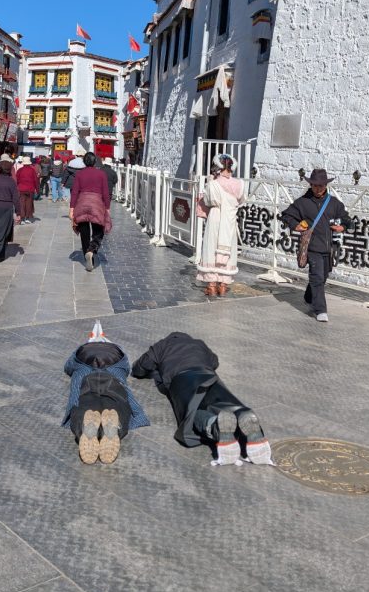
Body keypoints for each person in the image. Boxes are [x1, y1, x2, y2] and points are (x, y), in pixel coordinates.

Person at [132, 331, 273, 466]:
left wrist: (151, 370)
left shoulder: (162, 346)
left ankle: (215, 425)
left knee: (191, 412)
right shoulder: (198, 343)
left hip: (182, 379)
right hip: (207, 374)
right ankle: (243, 414)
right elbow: (214, 361)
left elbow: (140, 367)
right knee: (224, 401)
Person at [63, 320, 149, 464]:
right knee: (118, 399)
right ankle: (114, 427)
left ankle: (84, 428)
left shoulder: (81, 349)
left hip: (84, 369)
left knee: (81, 400)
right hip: (113, 368)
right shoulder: (118, 349)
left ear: (89, 339)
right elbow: (126, 367)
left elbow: (68, 366)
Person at [281, 168, 351, 323]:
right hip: (312, 248)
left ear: (326, 185)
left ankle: (308, 297)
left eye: (320, 186)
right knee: (317, 277)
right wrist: (295, 225)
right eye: (314, 185)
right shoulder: (302, 202)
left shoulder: (334, 203)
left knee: (322, 277)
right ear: (310, 185)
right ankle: (320, 310)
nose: (317, 189)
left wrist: (343, 227)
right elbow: (286, 215)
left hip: (329, 248)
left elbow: (347, 219)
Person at [196, 153, 246, 297]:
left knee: (211, 248)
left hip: (216, 216)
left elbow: (210, 201)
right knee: (228, 249)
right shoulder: (240, 184)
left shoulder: (213, 183)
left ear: (218, 166)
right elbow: (241, 200)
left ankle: (211, 285)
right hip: (230, 218)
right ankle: (223, 285)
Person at [70, 151, 111, 272]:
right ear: (94, 162)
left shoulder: (79, 174)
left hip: (82, 203)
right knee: (99, 231)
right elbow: (105, 193)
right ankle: (91, 249)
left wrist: (71, 208)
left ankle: (89, 259)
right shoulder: (101, 174)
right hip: (96, 204)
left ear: (84, 161)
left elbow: (75, 192)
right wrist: (107, 208)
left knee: (84, 233)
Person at [16, 156, 39, 223]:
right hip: (30, 189)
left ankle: (22, 218)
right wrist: (37, 190)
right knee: (29, 203)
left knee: (22, 203)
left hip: (21, 189)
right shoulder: (32, 170)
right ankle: (27, 217)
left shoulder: (20, 170)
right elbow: (36, 180)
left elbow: (17, 179)